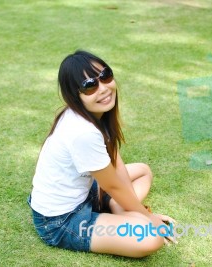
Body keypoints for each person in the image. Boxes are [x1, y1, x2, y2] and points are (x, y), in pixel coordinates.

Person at [28, 50, 176, 258]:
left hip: (86, 192)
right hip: (61, 220)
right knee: (151, 236)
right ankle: (123, 213)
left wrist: (133, 208)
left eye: (105, 76)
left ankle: (120, 210)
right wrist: (148, 218)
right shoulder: (83, 132)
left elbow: (116, 165)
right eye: (90, 86)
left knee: (143, 171)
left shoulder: (96, 115)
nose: (104, 89)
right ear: (74, 96)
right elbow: (112, 185)